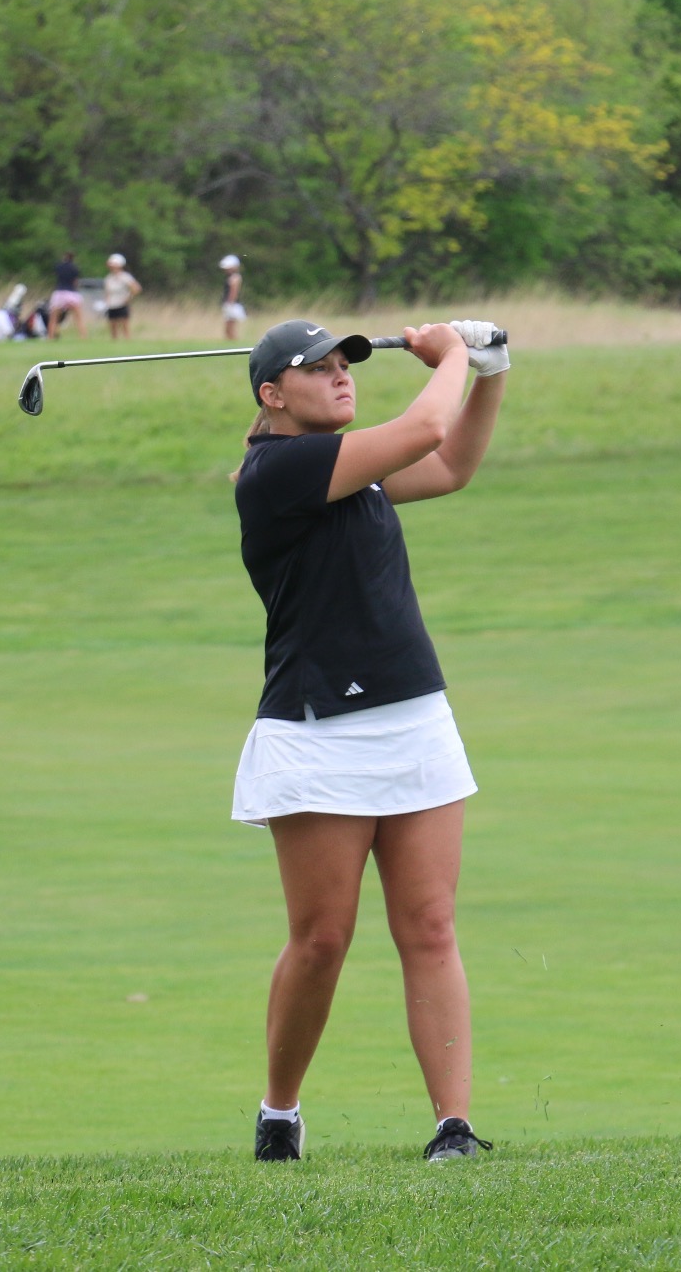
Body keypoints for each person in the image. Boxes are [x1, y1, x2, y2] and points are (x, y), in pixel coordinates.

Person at [230, 317, 511, 1164]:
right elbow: (426, 424)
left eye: (346, 361)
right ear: (272, 394)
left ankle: (452, 1126)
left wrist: (490, 371)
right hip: (318, 731)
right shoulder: (277, 470)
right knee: (323, 939)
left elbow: (453, 462)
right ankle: (280, 1109)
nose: (341, 375)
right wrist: (454, 353)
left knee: (429, 925)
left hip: (413, 715)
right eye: (315, 368)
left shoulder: (359, 470)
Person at [102, 253, 141, 340]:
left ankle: (127, 341)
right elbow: (107, 292)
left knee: (124, 325)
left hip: (122, 304)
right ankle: (115, 343)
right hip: (112, 305)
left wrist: (128, 298)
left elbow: (136, 288)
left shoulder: (125, 277)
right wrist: (106, 302)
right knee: (113, 326)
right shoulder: (109, 278)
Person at [50, 252, 86, 339]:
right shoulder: (75, 268)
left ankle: (50, 336)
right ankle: (83, 336)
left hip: (59, 292)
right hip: (71, 293)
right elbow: (75, 282)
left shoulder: (58, 266)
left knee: (54, 318)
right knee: (78, 318)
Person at [220, 254, 247, 341]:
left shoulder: (235, 278)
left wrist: (229, 304)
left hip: (232, 304)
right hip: (230, 304)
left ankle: (234, 340)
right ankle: (231, 341)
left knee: (230, 325)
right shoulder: (232, 277)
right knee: (228, 326)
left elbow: (233, 292)